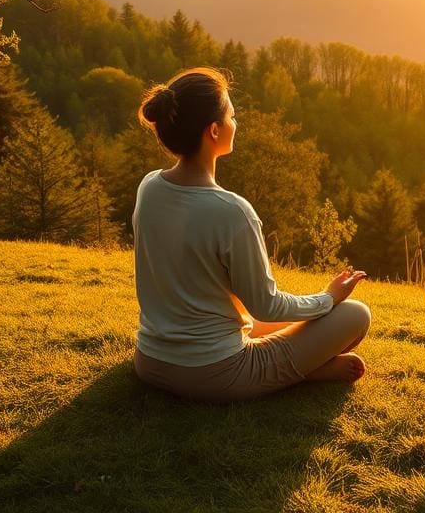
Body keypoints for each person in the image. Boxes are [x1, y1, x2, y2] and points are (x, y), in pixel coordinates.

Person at [131, 67, 370, 402]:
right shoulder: (231, 210)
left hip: (151, 361)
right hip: (215, 374)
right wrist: (328, 298)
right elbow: (267, 306)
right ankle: (305, 370)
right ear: (214, 130)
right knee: (355, 315)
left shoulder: (149, 186)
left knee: (252, 315)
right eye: (232, 115)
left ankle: (305, 365)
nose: (236, 122)